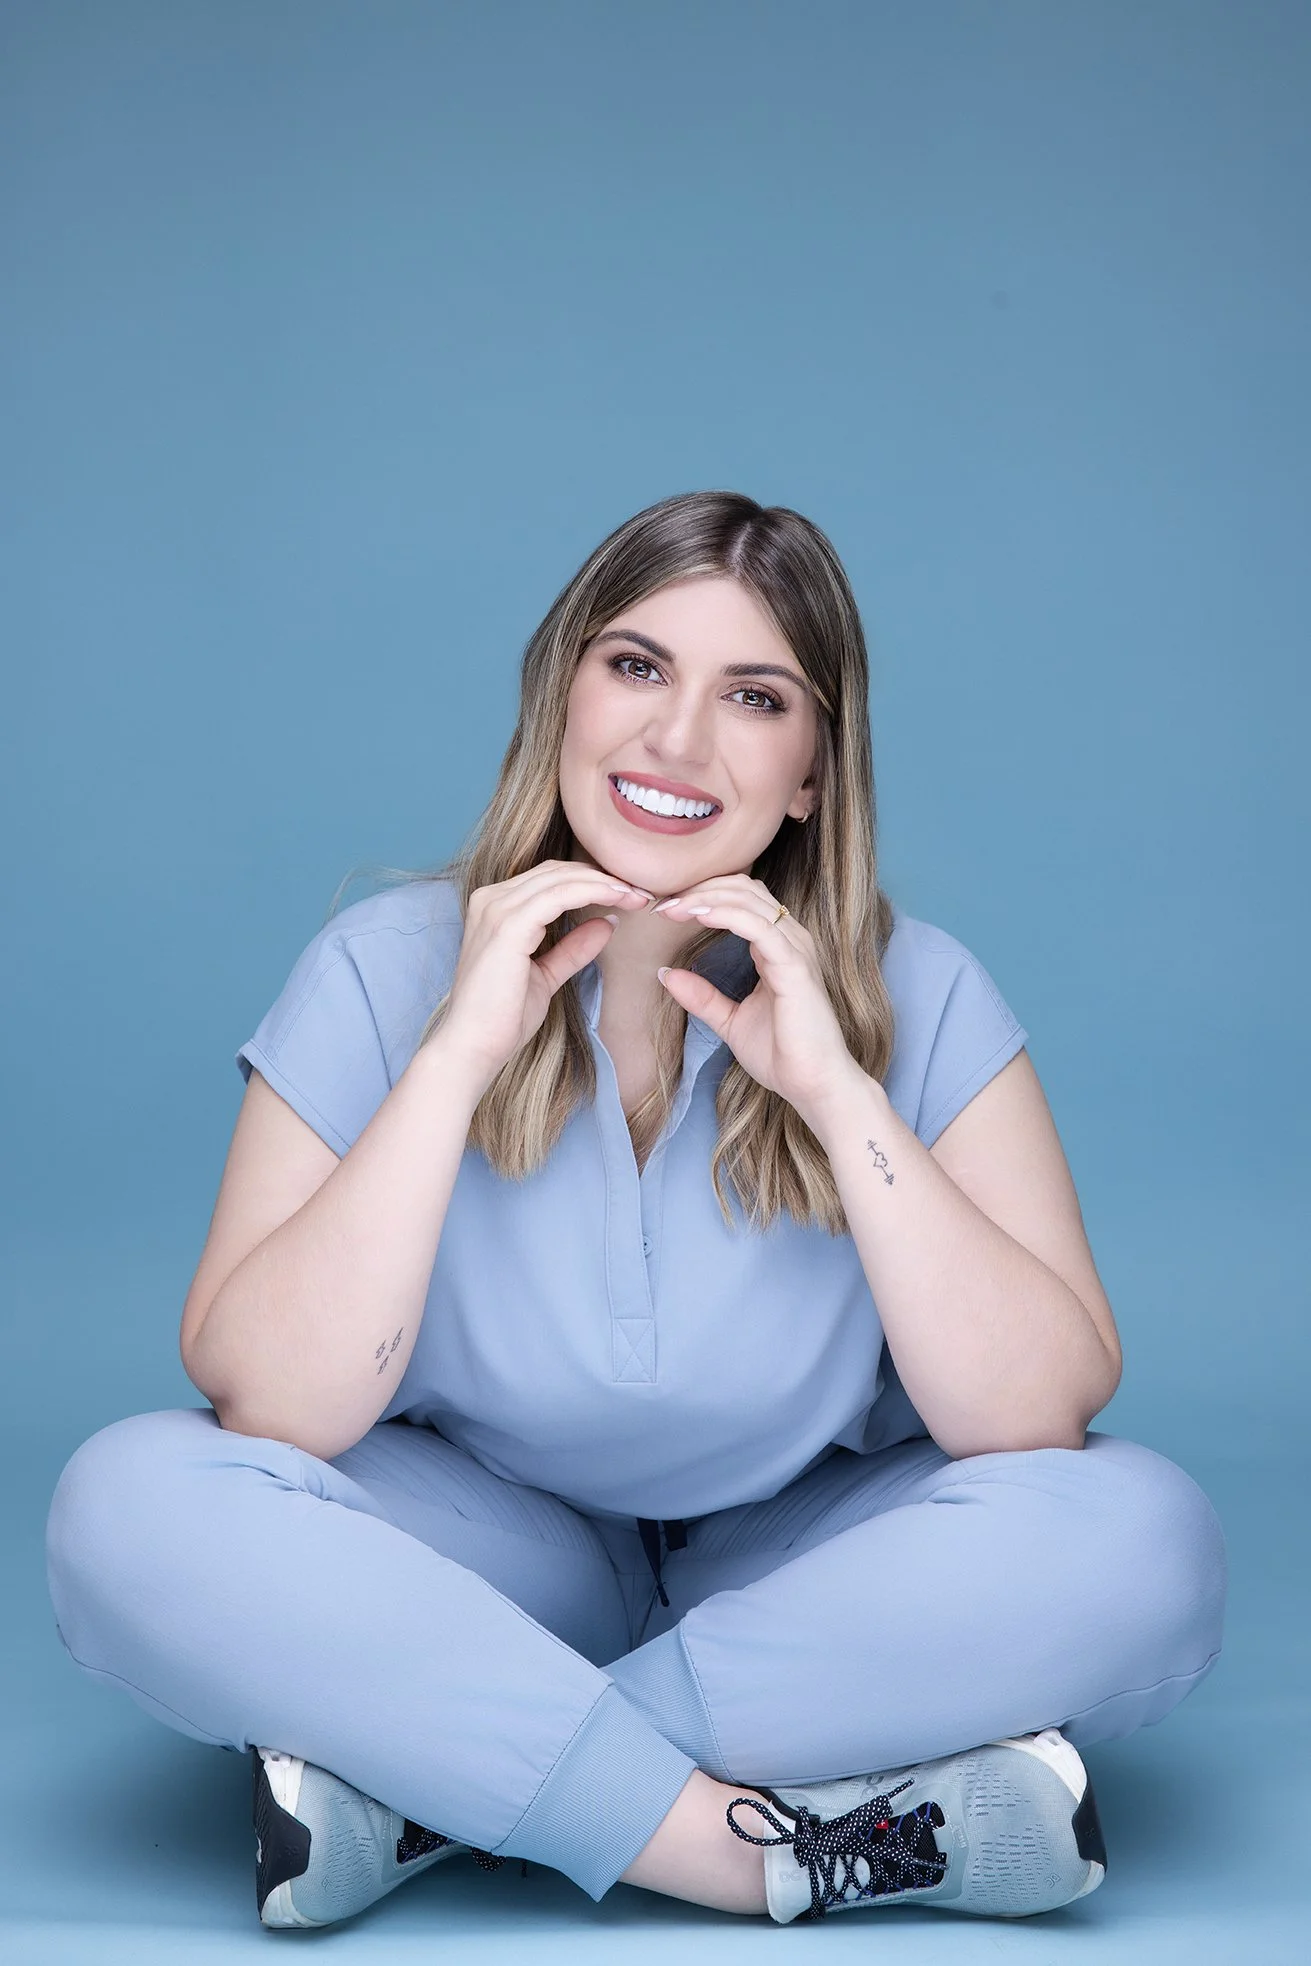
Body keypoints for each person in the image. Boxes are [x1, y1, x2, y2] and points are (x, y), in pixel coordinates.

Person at [45, 491, 1226, 1929]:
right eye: (636, 666)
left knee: (1145, 1532)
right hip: (492, 1554)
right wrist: (457, 1055)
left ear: (811, 773)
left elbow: (1033, 1410)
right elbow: (269, 1402)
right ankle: (755, 1847)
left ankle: (441, 1780)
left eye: (754, 695)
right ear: (562, 695)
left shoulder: (927, 991)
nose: (677, 741)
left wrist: (838, 1090)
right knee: (125, 1501)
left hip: (808, 1558)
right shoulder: (379, 965)